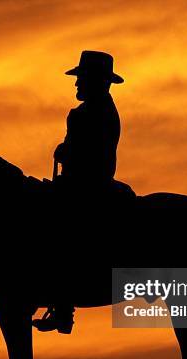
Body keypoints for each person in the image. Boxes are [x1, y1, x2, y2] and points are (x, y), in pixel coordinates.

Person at [32, 50, 126, 334]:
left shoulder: (97, 112)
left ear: (98, 81)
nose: (76, 84)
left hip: (89, 185)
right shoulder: (92, 110)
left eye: (81, 78)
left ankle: (63, 309)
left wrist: (67, 152)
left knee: (58, 232)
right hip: (76, 183)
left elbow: (93, 151)